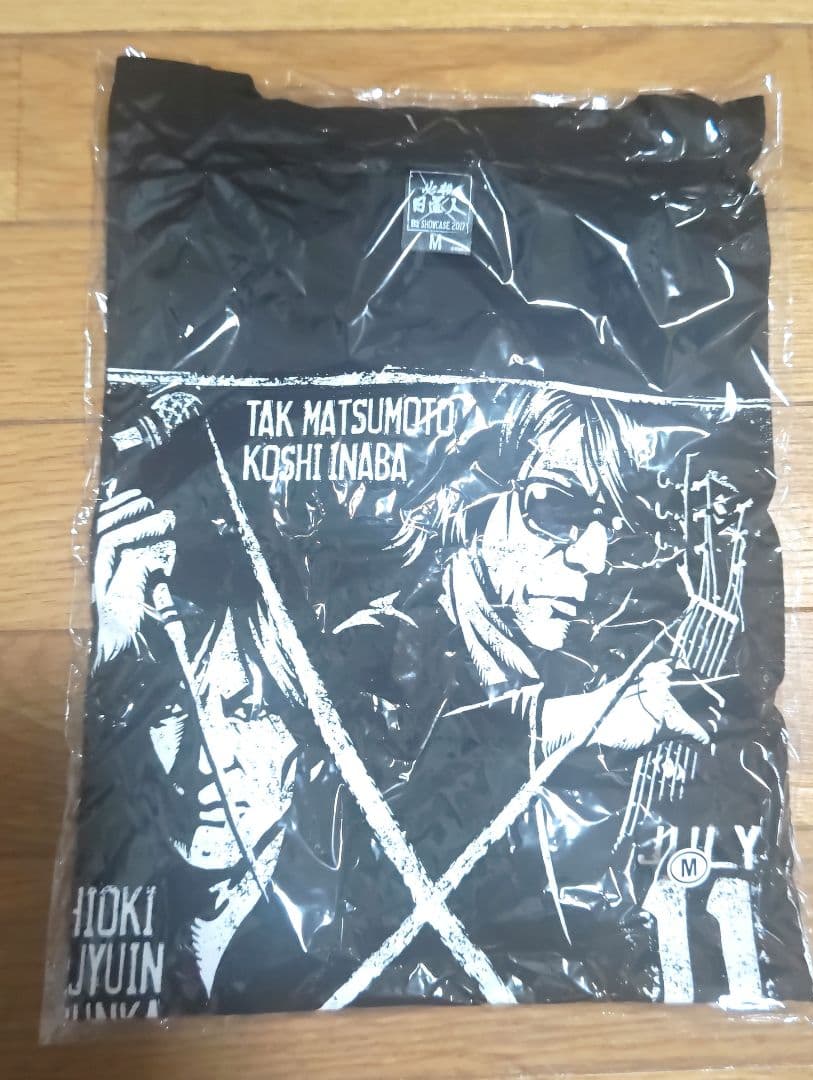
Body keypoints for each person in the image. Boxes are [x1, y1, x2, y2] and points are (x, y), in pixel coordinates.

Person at [89, 387, 712, 1005]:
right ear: (479, 497)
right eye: (554, 506)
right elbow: (399, 793)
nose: (593, 559)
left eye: (613, 527)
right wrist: (570, 723)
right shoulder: (394, 639)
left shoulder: (578, 660)